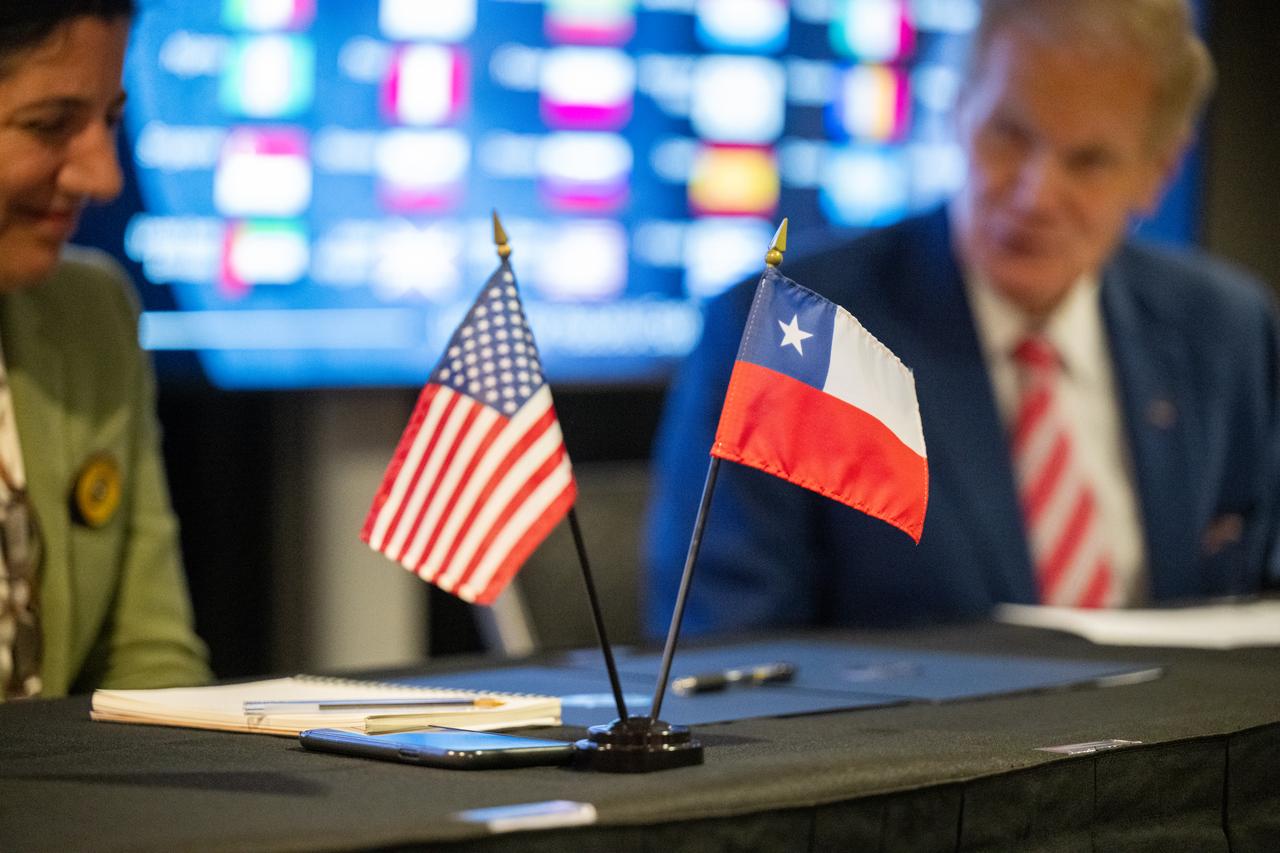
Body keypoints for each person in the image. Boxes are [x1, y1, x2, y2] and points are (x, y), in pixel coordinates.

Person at [646, 0, 1280, 636]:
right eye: (1010, 134)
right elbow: (729, 659)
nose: (1036, 195)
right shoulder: (790, 332)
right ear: (957, 110)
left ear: (1158, 172)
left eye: (1088, 161)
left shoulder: (1227, 333)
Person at [0, 0, 211, 697]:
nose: (104, 176)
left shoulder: (92, 315)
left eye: (110, 120)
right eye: (49, 125)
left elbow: (150, 666)